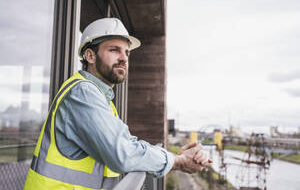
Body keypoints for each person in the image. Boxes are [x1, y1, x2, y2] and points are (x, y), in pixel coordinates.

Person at [24, 18, 212, 190]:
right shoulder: (83, 93)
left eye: (127, 53)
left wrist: (173, 157)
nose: (123, 58)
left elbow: (128, 144)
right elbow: (122, 153)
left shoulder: (101, 99)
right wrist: (176, 161)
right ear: (90, 56)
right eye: (114, 50)